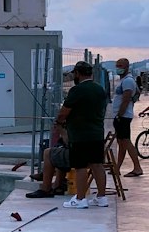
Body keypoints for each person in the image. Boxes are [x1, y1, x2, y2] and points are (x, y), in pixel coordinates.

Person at [57, 61, 109, 209]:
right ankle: (101, 197)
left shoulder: (77, 90)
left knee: (80, 167)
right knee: (97, 165)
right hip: (97, 133)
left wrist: (59, 122)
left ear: (78, 73)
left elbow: (64, 112)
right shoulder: (100, 89)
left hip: (80, 135)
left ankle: (80, 199)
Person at [113, 57, 144, 178]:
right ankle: (117, 167)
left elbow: (125, 100)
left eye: (120, 66)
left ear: (126, 67)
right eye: (117, 65)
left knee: (125, 141)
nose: (118, 68)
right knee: (121, 142)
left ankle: (137, 167)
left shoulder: (128, 81)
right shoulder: (124, 80)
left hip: (123, 116)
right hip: (121, 116)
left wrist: (120, 115)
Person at [25, 122, 69, 198]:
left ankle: (46, 188)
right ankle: (58, 185)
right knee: (58, 149)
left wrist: (61, 129)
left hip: (82, 155)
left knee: (48, 152)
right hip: (92, 154)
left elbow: (71, 144)